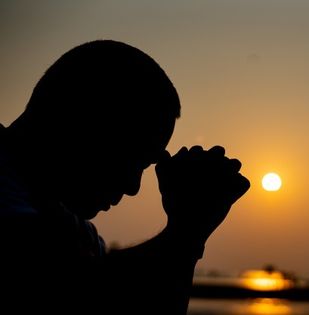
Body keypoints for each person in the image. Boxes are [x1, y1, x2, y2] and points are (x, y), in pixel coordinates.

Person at [0, 40, 250, 313]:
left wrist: (187, 236)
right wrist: (186, 231)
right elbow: (64, 288)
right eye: (131, 159)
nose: (132, 187)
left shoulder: (75, 232)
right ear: (80, 122)